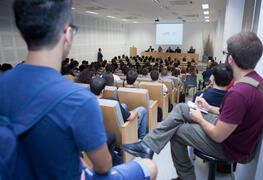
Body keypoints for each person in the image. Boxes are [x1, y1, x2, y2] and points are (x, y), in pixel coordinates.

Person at [0, 0, 157, 179]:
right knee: (149, 166)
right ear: (67, 33)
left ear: (21, 33)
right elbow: (103, 166)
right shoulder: (79, 98)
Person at [121, 32, 263, 180]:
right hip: (235, 135)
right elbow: (234, 116)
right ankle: (148, 145)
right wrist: (209, 107)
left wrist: (200, 119)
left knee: (178, 132)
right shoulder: (258, 83)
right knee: (181, 108)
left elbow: (218, 135)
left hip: (231, 147)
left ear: (231, 58)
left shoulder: (239, 93)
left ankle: (186, 177)